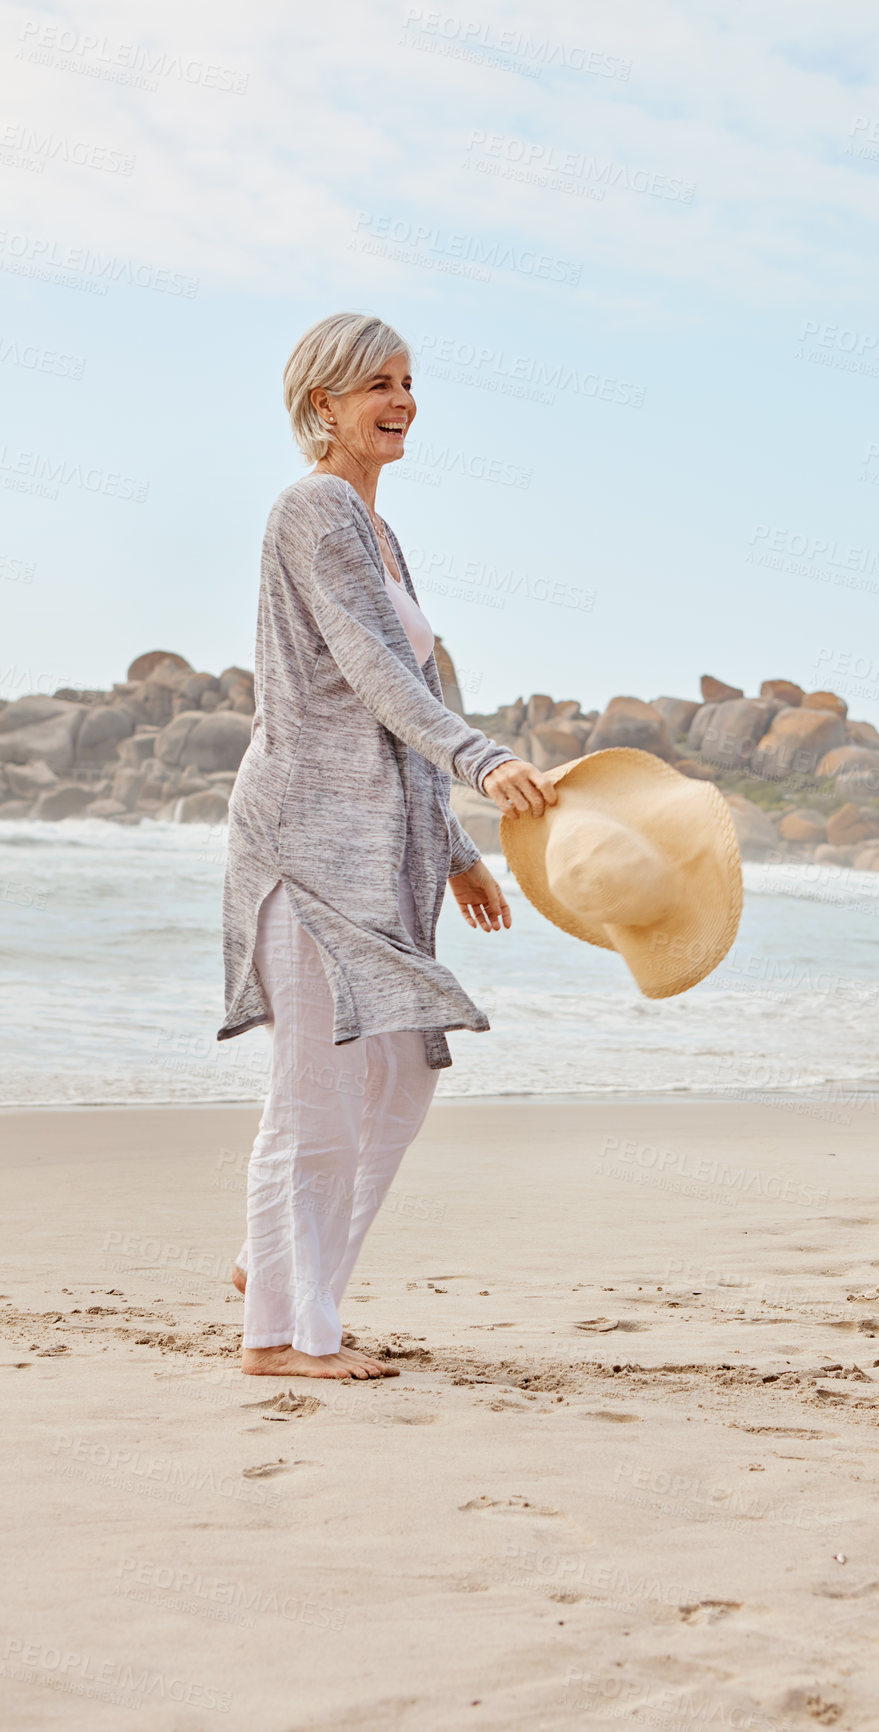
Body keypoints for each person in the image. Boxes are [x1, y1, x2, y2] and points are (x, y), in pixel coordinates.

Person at [217, 311, 556, 1379]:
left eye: (408, 381)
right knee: (314, 1095)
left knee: (400, 1076)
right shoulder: (313, 509)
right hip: (306, 845)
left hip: (377, 846)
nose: (402, 400)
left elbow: (390, 702)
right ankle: (279, 1335)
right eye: (378, 384)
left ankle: (278, 1267)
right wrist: (480, 756)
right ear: (324, 403)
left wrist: (452, 845)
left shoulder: (378, 531)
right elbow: (377, 674)